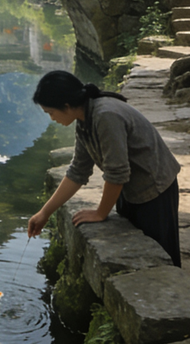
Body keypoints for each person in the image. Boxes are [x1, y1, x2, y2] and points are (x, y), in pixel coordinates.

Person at [27, 70, 181, 266]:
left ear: (66, 106)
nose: (52, 118)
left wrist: (101, 212)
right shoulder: (84, 121)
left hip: (155, 189)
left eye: (51, 113)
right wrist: (44, 213)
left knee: (162, 257)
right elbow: (78, 172)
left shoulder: (105, 116)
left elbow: (117, 172)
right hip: (131, 190)